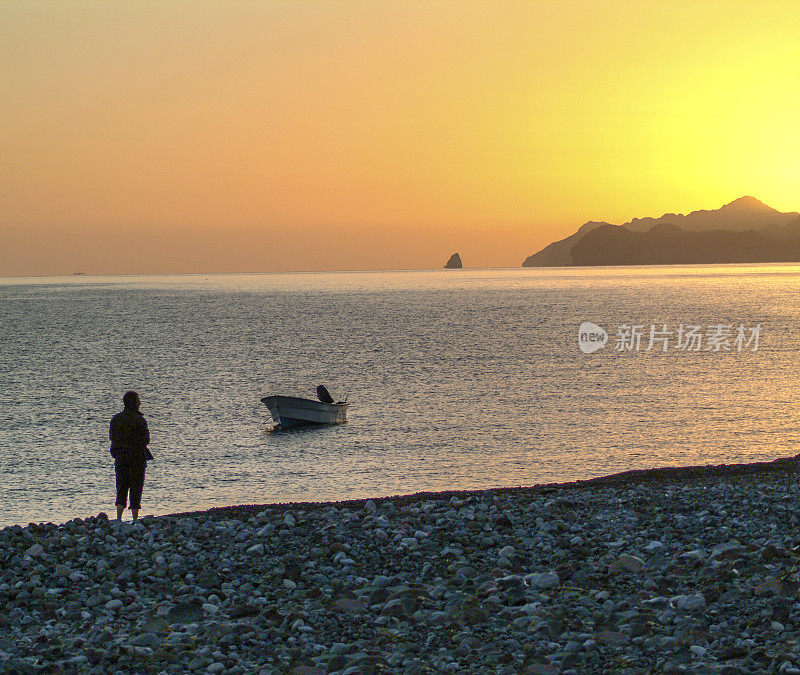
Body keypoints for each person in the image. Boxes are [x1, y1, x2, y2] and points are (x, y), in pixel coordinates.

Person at [110, 391, 153, 522]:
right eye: (138, 401)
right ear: (134, 403)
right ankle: (135, 519)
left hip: (121, 458)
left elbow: (112, 437)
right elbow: (146, 440)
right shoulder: (140, 420)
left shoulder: (116, 419)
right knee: (136, 487)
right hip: (137, 458)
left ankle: (118, 518)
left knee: (121, 486)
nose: (140, 403)